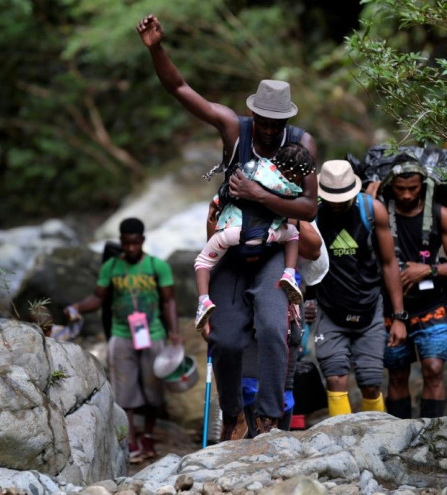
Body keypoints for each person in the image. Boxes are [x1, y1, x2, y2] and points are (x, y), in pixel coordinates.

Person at [138, 14, 318, 438]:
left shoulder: (301, 143)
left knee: (275, 329)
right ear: (254, 112)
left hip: (274, 252)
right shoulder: (234, 130)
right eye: (265, 121)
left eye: (278, 123)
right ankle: (233, 412)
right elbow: (180, 89)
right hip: (233, 254)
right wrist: (156, 49)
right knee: (225, 339)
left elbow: (309, 207)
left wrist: (259, 196)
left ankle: (270, 417)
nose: (271, 130)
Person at [64, 217, 182, 463]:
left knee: (153, 391)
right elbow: (98, 298)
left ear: (142, 241)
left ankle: (148, 437)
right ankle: (130, 440)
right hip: (121, 336)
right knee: (124, 392)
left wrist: (174, 332)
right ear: (121, 241)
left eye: (135, 243)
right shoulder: (111, 268)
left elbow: (169, 300)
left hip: (154, 335)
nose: (130, 248)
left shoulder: (156, 266)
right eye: (126, 243)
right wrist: (77, 306)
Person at [312, 160, 407, 417]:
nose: (337, 203)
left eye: (342, 198)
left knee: (371, 382)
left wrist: (398, 317)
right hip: (329, 308)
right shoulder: (312, 213)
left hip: (369, 307)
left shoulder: (372, 210)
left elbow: (389, 263)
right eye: (332, 198)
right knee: (335, 379)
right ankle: (339, 446)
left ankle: (376, 442)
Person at [375, 163, 447, 418]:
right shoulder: (380, 213)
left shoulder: (441, 215)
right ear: (391, 187)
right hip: (390, 308)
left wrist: (428, 270)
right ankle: (399, 435)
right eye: (400, 188)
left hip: (432, 304)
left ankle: (434, 435)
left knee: (434, 368)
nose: (406, 195)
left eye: (412, 188)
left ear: (423, 186)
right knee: (397, 372)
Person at [194, 143, 316, 330]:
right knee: (292, 234)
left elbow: (226, 191)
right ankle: (289, 274)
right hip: (267, 235)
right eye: (299, 178)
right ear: (292, 175)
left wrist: (215, 204)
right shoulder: (289, 189)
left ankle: (203, 301)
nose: (298, 182)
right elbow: (302, 209)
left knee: (202, 262)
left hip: (232, 232)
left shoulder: (254, 168)